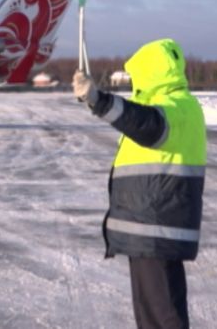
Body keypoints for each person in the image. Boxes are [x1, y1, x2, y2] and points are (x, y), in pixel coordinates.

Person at [73, 38, 206, 329]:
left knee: (163, 317)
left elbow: (147, 125)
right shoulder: (169, 106)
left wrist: (99, 99)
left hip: (157, 228)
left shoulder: (178, 107)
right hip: (149, 229)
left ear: (153, 73)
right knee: (152, 316)